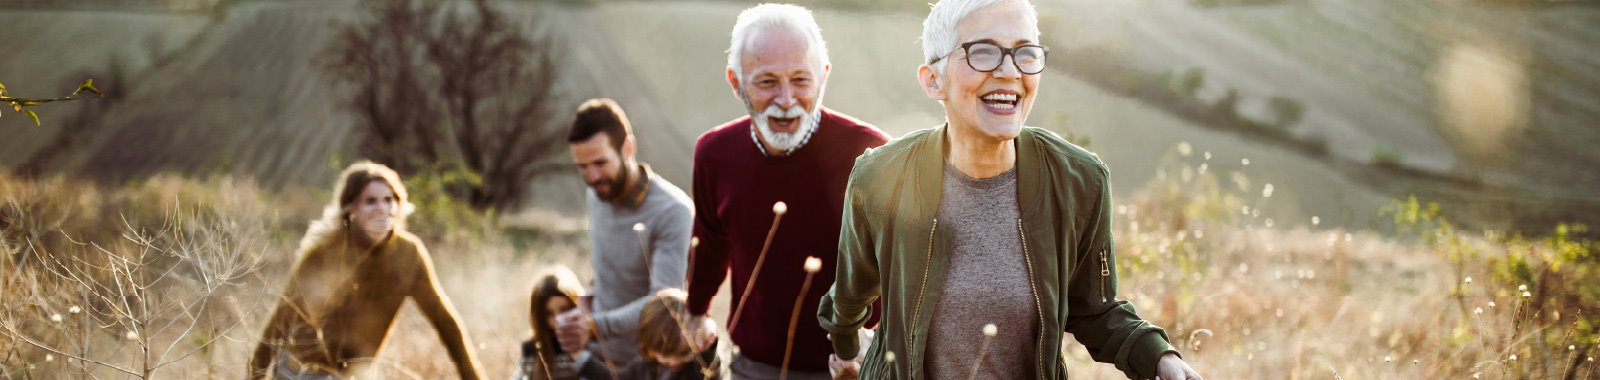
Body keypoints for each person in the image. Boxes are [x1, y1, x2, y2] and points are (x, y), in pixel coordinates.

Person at [816, 0, 1205, 379]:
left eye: (1025, 53)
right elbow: (850, 296)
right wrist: (849, 355)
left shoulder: (1078, 181)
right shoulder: (881, 176)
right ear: (934, 80)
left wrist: (1160, 359)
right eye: (983, 53)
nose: (1009, 71)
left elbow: (1094, 310)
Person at [684, 4, 890, 380]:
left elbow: (899, 265)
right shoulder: (714, 154)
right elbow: (710, 242)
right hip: (753, 367)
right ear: (735, 81)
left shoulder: (869, 152)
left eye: (800, 79)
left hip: (851, 366)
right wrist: (696, 312)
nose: (785, 99)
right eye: (766, 81)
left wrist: (873, 345)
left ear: (823, 77)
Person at [247, 162, 483, 380]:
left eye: (389, 200)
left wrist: (473, 377)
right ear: (351, 209)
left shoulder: (409, 253)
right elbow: (280, 321)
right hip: (302, 369)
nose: (382, 209)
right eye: (370, 201)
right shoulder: (324, 253)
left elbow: (445, 322)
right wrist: (254, 376)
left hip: (355, 374)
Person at [558, 98, 695, 366]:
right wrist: (581, 308)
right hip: (595, 356)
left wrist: (594, 327)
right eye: (582, 167)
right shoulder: (596, 195)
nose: (592, 177)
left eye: (600, 163)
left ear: (628, 148)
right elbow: (605, 275)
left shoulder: (673, 211)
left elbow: (664, 303)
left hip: (646, 365)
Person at [510, 266, 610, 380]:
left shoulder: (594, 343)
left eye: (564, 310)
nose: (558, 319)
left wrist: (578, 355)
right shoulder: (534, 348)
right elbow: (523, 375)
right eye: (549, 314)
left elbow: (610, 376)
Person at [614, 289, 723, 380]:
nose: (672, 363)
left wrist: (708, 352)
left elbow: (712, 373)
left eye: (682, 355)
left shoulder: (695, 370)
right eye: (666, 360)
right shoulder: (646, 365)